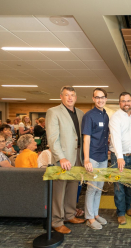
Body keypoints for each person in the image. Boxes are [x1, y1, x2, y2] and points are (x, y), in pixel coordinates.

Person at [46, 86, 85, 234]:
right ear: (61, 96)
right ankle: (56, 221)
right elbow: (53, 138)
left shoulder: (80, 113)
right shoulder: (53, 112)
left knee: (72, 188)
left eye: (73, 95)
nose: (70, 98)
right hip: (62, 159)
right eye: (67, 95)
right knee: (59, 191)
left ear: (76, 97)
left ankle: (69, 215)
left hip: (77, 158)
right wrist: (61, 157)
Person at [109, 92, 131, 225]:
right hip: (118, 158)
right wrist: (120, 157)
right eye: (123, 101)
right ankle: (121, 212)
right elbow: (115, 138)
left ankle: (128, 207)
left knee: (129, 185)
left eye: (128, 100)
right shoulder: (115, 117)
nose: (126, 103)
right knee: (119, 186)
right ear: (119, 103)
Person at [82, 88, 109, 230]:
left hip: (103, 156)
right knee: (92, 188)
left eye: (102, 97)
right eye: (97, 97)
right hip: (92, 157)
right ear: (93, 99)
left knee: (99, 188)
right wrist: (86, 159)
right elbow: (86, 139)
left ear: (106, 98)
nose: (100, 100)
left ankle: (95, 213)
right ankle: (89, 218)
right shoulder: (89, 116)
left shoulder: (105, 115)